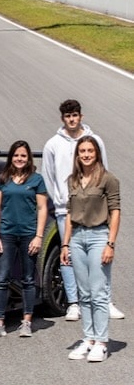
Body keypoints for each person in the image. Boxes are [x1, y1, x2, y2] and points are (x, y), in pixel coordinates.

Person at [42, 99, 124, 320]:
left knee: (101, 255)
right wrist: (59, 198)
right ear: (62, 118)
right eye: (68, 116)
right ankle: (74, 303)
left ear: (81, 116)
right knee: (67, 254)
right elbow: (48, 176)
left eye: (75, 115)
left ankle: (106, 301)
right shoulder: (52, 144)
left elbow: (103, 169)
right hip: (65, 209)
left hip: (96, 207)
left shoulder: (95, 140)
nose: (72, 119)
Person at [61, 136, 120, 362]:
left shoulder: (108, 179)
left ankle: (102, 342)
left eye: (90, 151)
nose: (86, 155)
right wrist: (65, 243)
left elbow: (115, 211)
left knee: (98, 292)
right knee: (83, 293)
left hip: (98, 237)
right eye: (82, 151)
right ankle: (89, 338)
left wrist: (110, 244)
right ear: (77, 155)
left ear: (97, 153)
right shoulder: (72, 180)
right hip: (76, 237)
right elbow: (68, 213)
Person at [0, 141, 48, 339]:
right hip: (6, 234)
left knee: (28, 279)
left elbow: (42, 209)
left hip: (29, 234)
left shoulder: (36, 179)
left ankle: (27, 321)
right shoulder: (2, 179)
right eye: (16, 155)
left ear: (29, 158)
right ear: (11, 157)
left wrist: (39, 236)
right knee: (2, 278)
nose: (19, 159)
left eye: (23, 155)